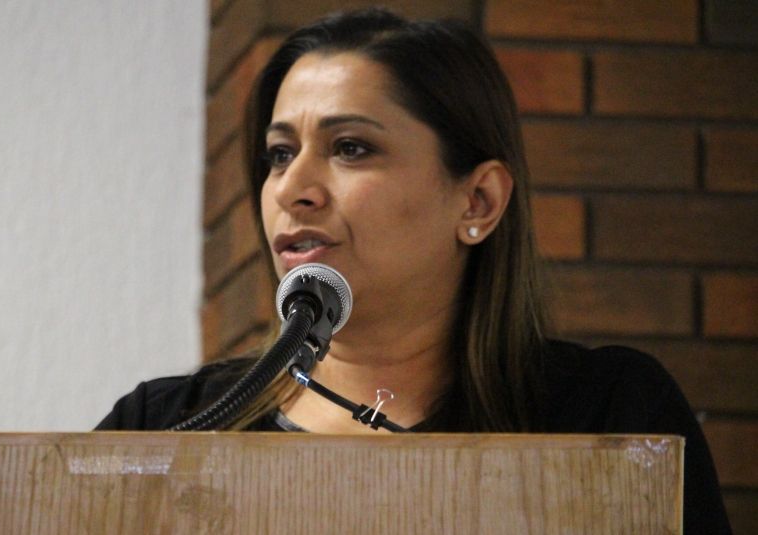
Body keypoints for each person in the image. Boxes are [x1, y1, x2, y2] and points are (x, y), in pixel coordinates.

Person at [96, 8, 731, 532]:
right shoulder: (162, 423)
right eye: (280, 153)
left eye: (351, 148)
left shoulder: (606, 411)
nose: (293, 188)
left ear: (477, 201)